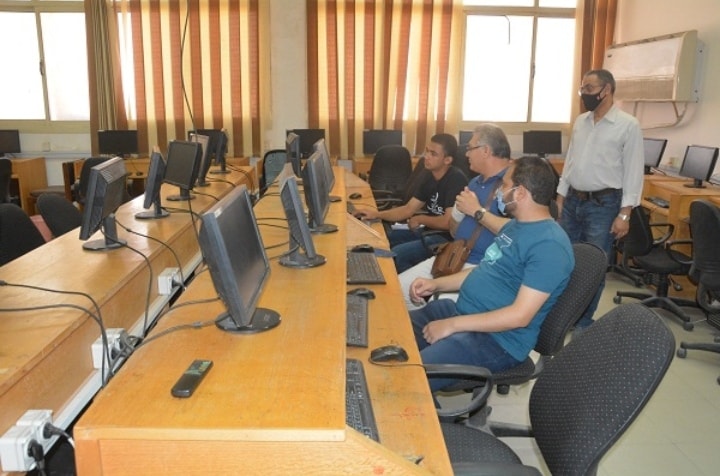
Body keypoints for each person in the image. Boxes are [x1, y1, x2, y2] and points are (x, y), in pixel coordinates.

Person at [408, 156, 574, 392]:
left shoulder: (550, 246)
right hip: (465, 313)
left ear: (520, 193)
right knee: (393, 333)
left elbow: (519, 316)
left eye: (504, 185)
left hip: (497, 340)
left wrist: (452, 325)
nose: (499, 191)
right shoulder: (516, 226)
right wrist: (436, 285)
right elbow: (485, 271)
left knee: (411, 379)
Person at [556, 69, 644, 332]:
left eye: (589, 88)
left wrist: (625, 214)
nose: (584, 93)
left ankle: (582, 324)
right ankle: (562, 317)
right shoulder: (581, 122)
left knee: (593, 267)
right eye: (582, 88)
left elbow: (633, 172)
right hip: (573, 201)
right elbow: (570, 161)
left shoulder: (628, 125)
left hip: (604, 206)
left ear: (606, 90)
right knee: (564, 261)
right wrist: (560, 197)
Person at [398, 124, 511, 310]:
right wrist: (458, 215)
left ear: (485, 151)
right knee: (398, 290)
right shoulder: (474, 182)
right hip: (455, 257)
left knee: (437, 306)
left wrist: (477, 211)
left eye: (470, 148)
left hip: (483, 267)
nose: (466, 154)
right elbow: (453, 230)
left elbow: (520, 231)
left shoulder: (511, 184)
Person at [355, 133, 468, 273]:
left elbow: (448, 222)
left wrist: (421, 219)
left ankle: (412, 285)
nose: (426, 156)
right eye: (427, 151)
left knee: (398, 254)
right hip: (429, 231)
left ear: (447, 160)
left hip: (445, 239)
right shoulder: (429, 175)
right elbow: (408, 209)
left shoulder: (456, 180)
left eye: (433, 154)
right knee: (382, 238)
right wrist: (376, 214)